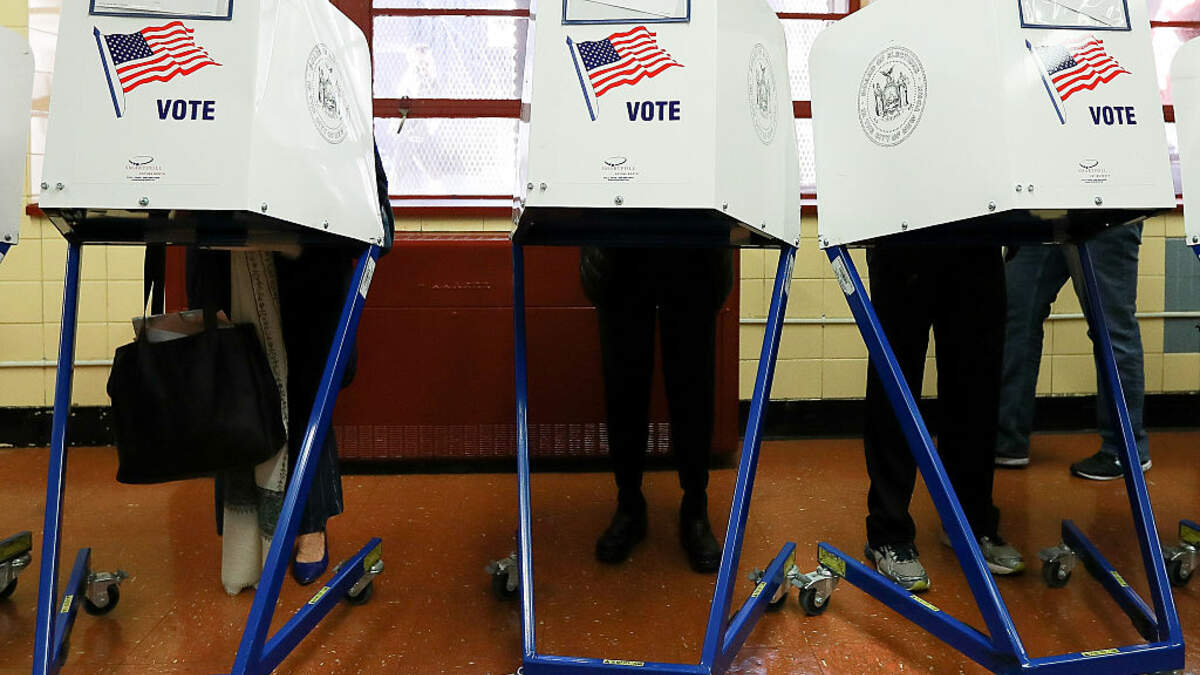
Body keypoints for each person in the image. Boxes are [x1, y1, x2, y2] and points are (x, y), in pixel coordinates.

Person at [189, 146, 394, 591]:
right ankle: (250, 531)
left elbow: (378, 219)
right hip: (227, 262)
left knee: (305, 398)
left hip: (307, 269)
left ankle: (310, 525)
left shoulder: (334, 107)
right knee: (237, 395)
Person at [862, 243, 1024, 592]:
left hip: (977, 234)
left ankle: (970, 523)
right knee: (895, 384)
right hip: (900, 235)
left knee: (977, 386)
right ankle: (888, 533)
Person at [580, 246, 733, 573]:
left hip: (693, 251)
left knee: (693, 386)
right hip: (621, 250)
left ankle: (695, 506)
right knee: (623, 386)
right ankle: (629, 503)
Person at [994, 223, 1150, 480]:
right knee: (1016, 314)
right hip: (1045, 211)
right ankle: (1006, 440)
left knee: (1110, 326)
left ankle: (1123, 451)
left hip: (1105, 213)